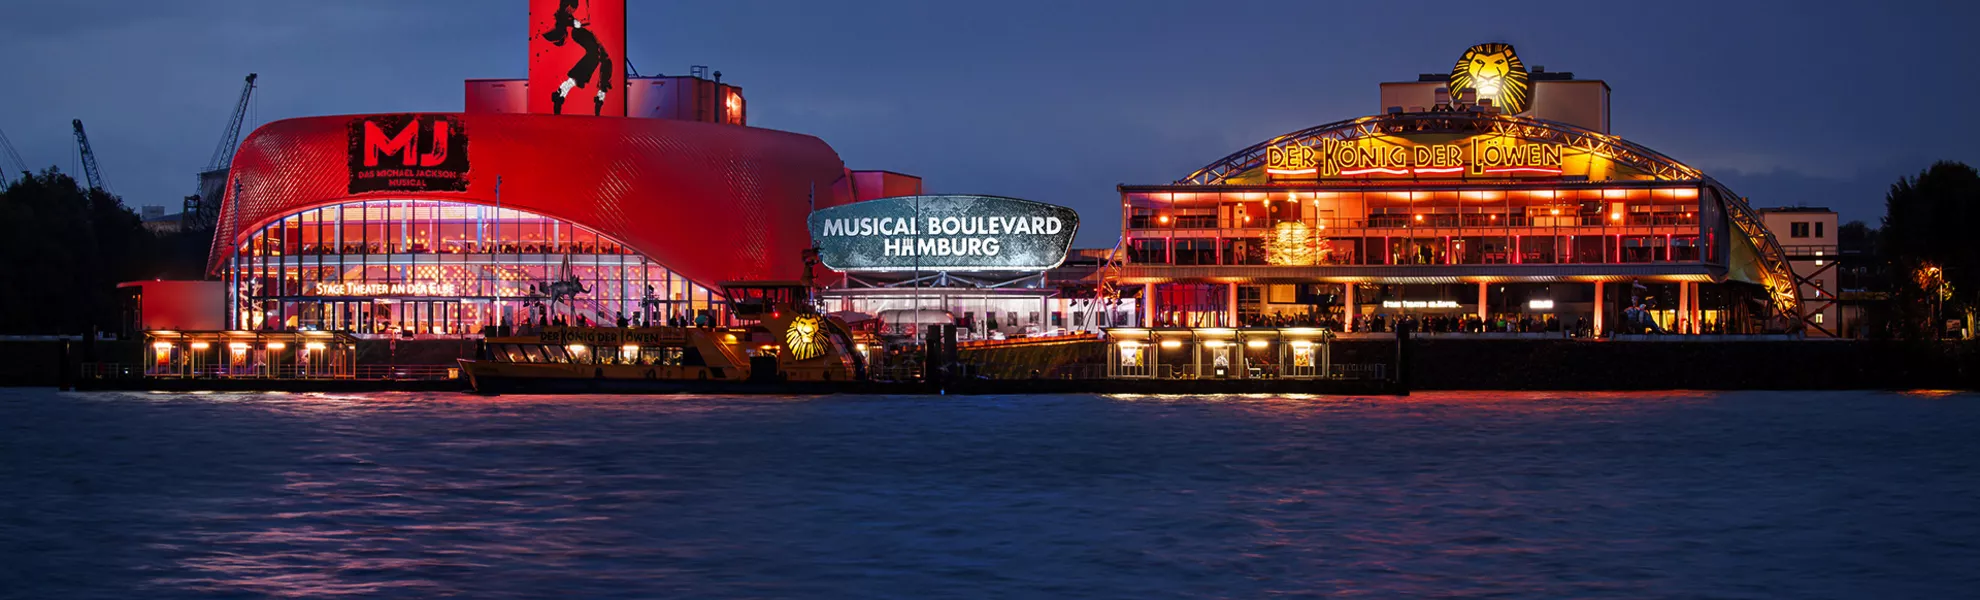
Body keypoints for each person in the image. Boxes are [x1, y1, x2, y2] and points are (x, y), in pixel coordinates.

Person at [538, 0, 614, 115]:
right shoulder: (569, 11)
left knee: (604, 58)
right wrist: (572, 21)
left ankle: (599, 95)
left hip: (590, 29)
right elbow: (561, 14)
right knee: (596, 54)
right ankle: (564, 91)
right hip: (582, 29)